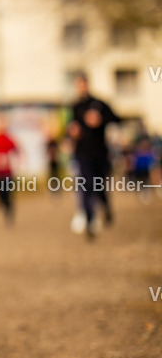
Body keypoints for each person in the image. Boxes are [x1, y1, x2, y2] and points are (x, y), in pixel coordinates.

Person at [67, 71, 119, 240]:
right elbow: (68, 128)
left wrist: (100, 120)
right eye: (78, 85)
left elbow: (116, 119)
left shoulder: (99, 104)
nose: (80, 88)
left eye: (83, 84)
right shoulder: (74, 107)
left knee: (99, 186)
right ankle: (89, 221)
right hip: (82, 153)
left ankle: (106, 207)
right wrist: (71, 132)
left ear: (87, 84)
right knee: (85, 186)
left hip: (100, 153)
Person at [0, 116, 20, 223]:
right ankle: (4, 204)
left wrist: (17, 164)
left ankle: (9, 209)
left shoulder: (9, 139)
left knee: (8, 192)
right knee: (0, 193)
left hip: (8, 172)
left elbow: (17, 151)